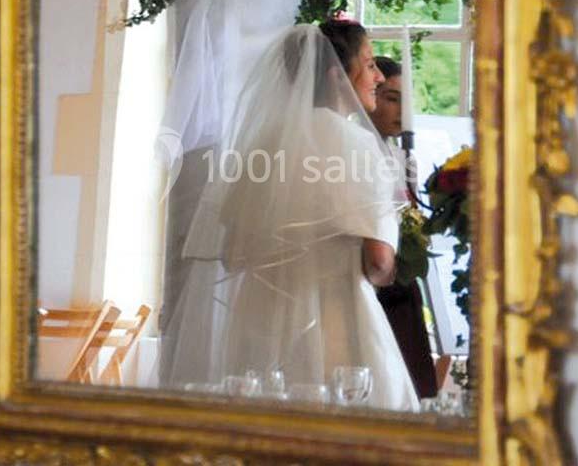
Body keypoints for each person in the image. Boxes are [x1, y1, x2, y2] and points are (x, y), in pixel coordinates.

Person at [162, 20, 420, 411]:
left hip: (259, 334)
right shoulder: (360, 145)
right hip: (339, 328)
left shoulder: (263, 146)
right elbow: (379, 260)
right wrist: (380, 273)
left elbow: (233, 254)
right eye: (369, 65)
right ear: (338, 77)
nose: (379, 77)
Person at [368, 56, 439, 399]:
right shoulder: (354, 154)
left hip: (401, 291)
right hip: (373, 286)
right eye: (392, 98)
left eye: (407, 101)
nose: (401, 110)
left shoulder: (400, 157)